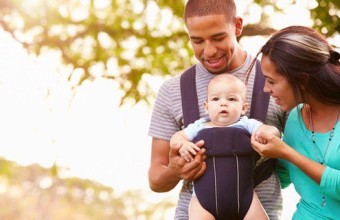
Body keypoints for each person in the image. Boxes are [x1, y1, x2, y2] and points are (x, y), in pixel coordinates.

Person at [148, 0, 285, 219]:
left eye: (219, 37)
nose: (209, 51)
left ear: (238, 26)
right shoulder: (173, 90)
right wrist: (176, 170)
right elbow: (155, 179)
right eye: (197, 41)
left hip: (259, 210)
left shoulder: (276, 79)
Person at [251, 25, 340, 219]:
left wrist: (285, 152)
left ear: (302, 80)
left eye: (272, 81)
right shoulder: (295, 118)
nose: (266, 89)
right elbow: (281, 177)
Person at [170, 74, 280, 220]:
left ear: (243, 108)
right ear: (206, 107)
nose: (223, 103)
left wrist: (265, 134)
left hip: (246, 200)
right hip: (203, 202)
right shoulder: (198, 126)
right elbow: (176, 138)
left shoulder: (247, 124)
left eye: (231, 99)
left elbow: (274, 131)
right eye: (216, 99)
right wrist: (183, 144)